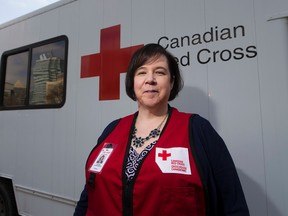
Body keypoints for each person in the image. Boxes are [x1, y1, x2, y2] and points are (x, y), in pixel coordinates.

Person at [74, 43, 250, 216]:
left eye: (159, 72)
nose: (150, 79)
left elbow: (233, 205)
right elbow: (89, 194)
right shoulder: (113, 129)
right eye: (142, 72)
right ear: (133, 82)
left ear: (172, 82)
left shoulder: (198, 130)